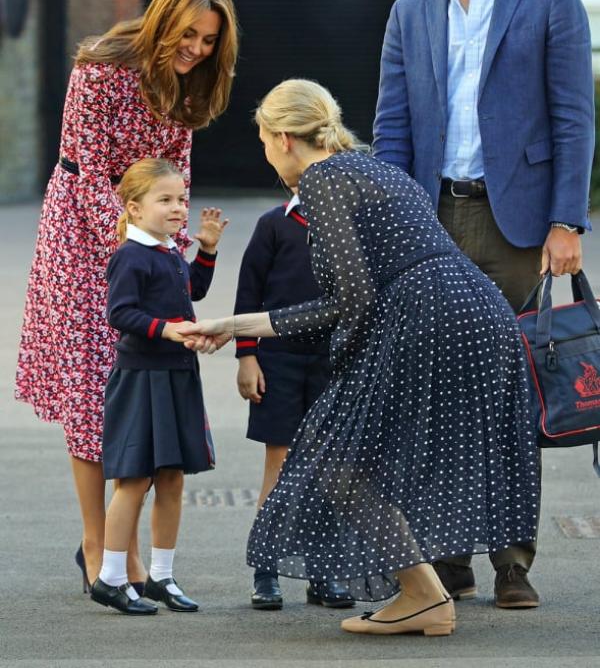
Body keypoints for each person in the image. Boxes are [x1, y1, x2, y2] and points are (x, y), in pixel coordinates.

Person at [182, 78, 540, 636]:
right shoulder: (371, 166)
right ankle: (424, 591)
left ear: (282, 138)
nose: (265, 155)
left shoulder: (322, 180)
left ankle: (424, 595)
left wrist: (240, 327)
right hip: (476, 311)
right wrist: (234, 327)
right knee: (391, 452)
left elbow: (351, 301)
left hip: (427, 319)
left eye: (260, 141)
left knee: (335, 456)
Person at [372, 0, 595, 608]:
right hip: (433, 221)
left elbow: (571, 117)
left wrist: (567, 222)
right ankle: (448, 557)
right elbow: (392, 129)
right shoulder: (410, 12)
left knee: (510, 392)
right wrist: (392, 227)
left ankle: (513, 563)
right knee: (437, 392)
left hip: (518, 228)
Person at [15, 0, 238, 591]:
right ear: (163, 19)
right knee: (93, 393)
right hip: (84, 235)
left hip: (146, 236)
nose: (196, 49)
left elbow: (177, 174)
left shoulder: (191, 83)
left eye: (209, 40)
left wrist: (171, 247)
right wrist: (131, 251)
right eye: (188, 34)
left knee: (136, 392)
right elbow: (88, 171)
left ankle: (125, 550)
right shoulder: (100, 68)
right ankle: (100, 550)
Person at [89, 158, 227, 615]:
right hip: (142, 378)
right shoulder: (130, 255)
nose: (177, 207)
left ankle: (161, 578)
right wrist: (166, 331)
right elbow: (120, 313)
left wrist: (206, 251)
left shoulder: (168, 251)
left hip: (177, 375)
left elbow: (192, 292)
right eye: (165, 199)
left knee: (171, 478)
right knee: (134, 479)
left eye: (181, 199)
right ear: (134, 207)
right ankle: (110, 578)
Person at [234, 190, 354, 610]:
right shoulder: (273, 224)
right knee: (280, 465)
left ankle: (323, 572)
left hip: (333, 360)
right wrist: (247, 355)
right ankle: (266, 570)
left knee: (327, 469)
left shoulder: (350, 226)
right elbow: (249, 291)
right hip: (277, 358)